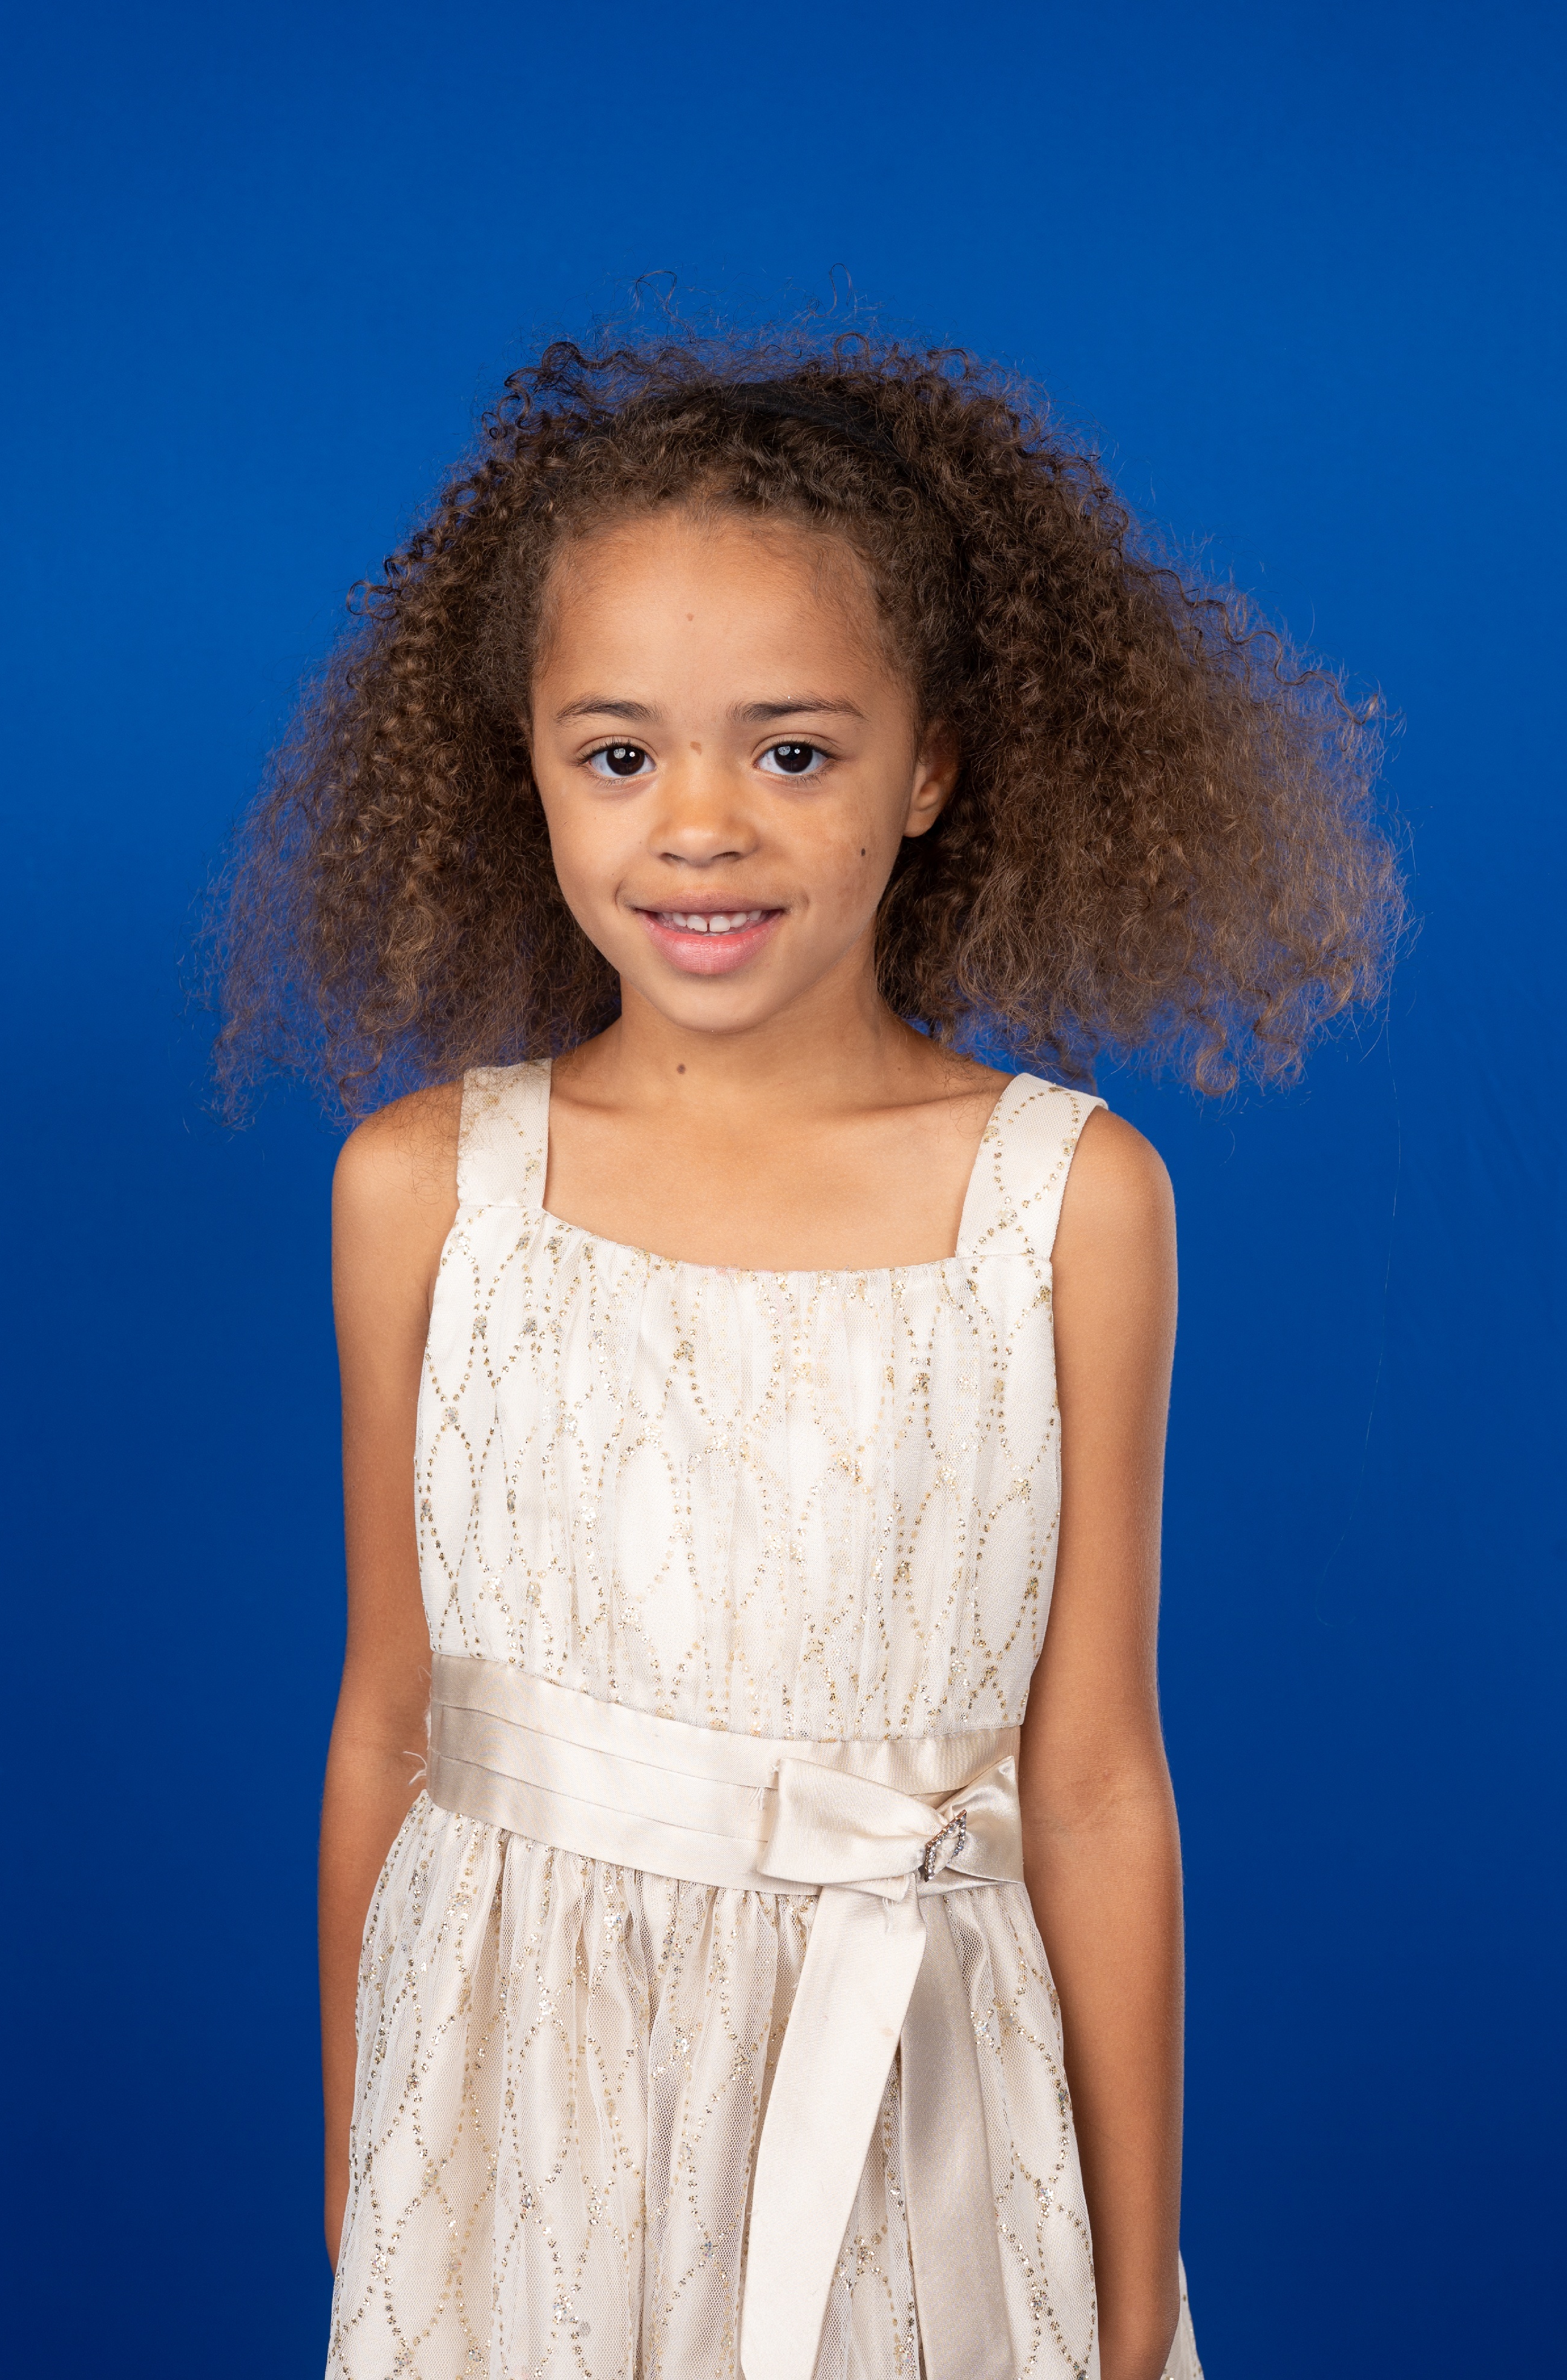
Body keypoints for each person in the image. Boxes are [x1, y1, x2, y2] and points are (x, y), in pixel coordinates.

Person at [215, 331, 1399, 2380]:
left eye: (791, 753)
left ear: (926, 766)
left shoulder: (1067, 1205)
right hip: (521, 2143)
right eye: (619, 755)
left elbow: (1095, 1780)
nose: (700, 828)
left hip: (922, 2123)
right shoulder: (422, 1190)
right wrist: (366, 2181)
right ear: (524, 762)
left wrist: (1130, 2298)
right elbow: (390, 1721)